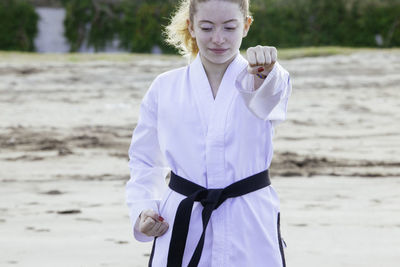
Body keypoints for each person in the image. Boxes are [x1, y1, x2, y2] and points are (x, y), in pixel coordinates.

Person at [126, 0, 292, 266]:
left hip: (249, 221)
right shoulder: (165, 87)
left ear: (246, 26)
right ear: (191, 27)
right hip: (182, 220)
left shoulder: (266, 78)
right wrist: (144, 208)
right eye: (206, 28)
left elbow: (268, 102)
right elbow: (145, 160)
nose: (218, 39)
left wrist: (266, 74)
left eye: (229, 27)